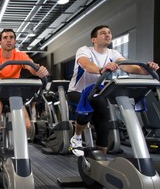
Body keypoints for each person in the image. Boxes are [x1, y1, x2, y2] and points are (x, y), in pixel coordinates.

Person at [67, 25, 159, 155]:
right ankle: (76, 137)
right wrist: (101, 69)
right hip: (77, 91)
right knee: (87, 112)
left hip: (96, 92)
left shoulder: (113, 53)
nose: (107, 35)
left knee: (104, 119)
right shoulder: (85, 50)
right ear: (94, 39)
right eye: (103, 33)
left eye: (109, 33)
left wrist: (147, 70)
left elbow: (128, 67)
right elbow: (86, 64)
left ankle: (101, 157)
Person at [0, 28, 49, 172]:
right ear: (0, 41)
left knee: (28, 126)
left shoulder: (20, 55)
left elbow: (32, 67)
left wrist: (39, 70)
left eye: (11, 37)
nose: (8, 40)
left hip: (13, 92)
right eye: (5, 37)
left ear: (15, 41)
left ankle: (18, 152)